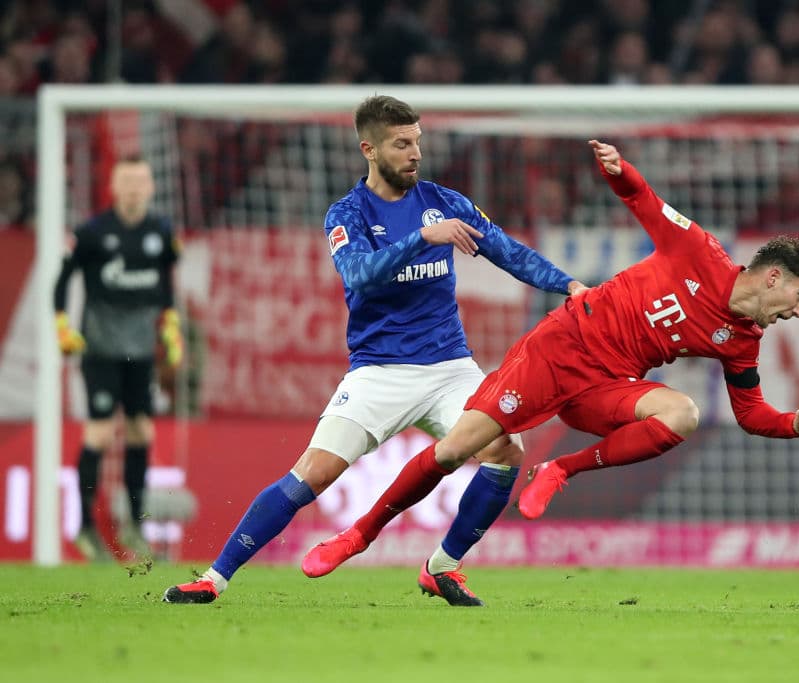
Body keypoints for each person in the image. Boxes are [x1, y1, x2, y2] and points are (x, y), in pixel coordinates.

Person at [303, 139, 799, 600]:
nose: (797, 310)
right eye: (798, 296)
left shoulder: (743, 342)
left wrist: (791, 426)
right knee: (452, 451)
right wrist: (620, 169)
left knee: (682, 413)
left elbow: (750, 414)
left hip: (608, 385)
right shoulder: (700, 251)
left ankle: (559, 472)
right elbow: (646, 202)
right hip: (560, 348)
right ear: (772, 277)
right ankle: (360, 535)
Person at [162, 95, 584, 605]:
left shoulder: (445, 201)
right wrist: (422, 240)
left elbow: (508, 252)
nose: (414, 154)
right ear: (370, 149)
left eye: (417, 142)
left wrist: (569, 286)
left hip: (450, 368)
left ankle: (443, 567)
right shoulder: (347, 213)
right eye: (401, 144)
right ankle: (213, 578)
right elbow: (359, 273)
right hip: (379, 372)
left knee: (505, 453)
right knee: (309, 476)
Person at [53, 156, 184, 561]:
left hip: (140, 351)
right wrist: (62, 323)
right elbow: (61, 279)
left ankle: (135, 525)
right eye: (125, 181)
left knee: (141, 432)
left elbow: (165, 283)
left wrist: (170, 323)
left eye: (139, 181)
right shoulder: (93, 233)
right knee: (99, 432)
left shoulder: (161, 233)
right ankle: (86, 528)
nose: (132, 188)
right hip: (101, 351)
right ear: (113, 186)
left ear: (150, 187)